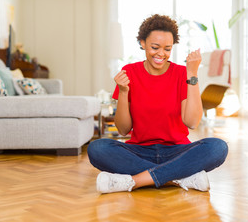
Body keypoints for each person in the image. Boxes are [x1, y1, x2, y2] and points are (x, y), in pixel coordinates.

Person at [88, 14, 228, 194]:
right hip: (139, 150)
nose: (161, 54)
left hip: (177, 151)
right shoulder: (129, 72)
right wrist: (123, 92)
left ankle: (135, 181)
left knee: (218, 147)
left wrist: (192, 73)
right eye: (155, 47)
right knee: (97, 148)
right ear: (143, 43)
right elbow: (123, 130)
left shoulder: (180, 73)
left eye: (167, 49)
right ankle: (179, 178)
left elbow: (192, 122)